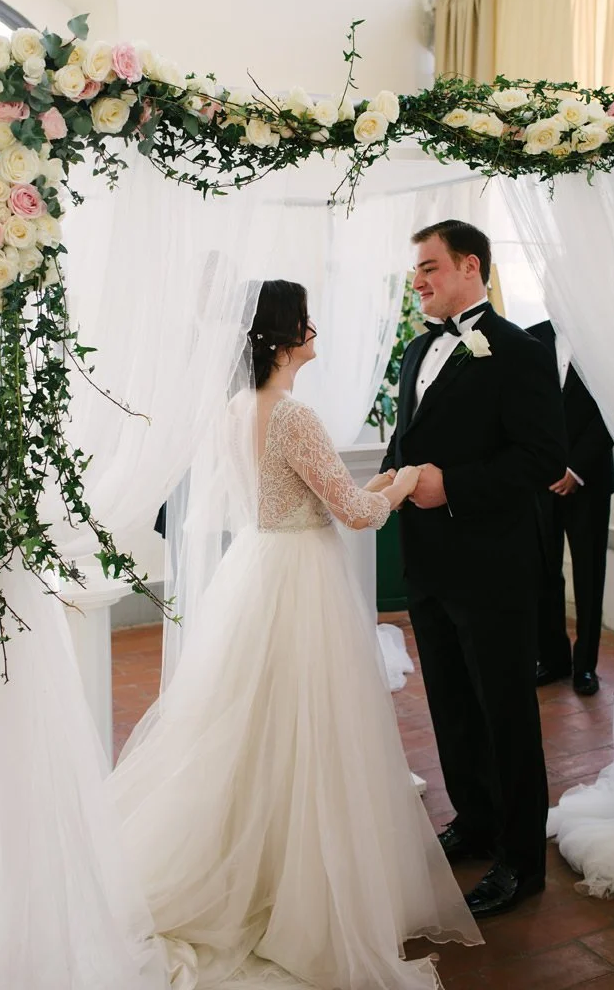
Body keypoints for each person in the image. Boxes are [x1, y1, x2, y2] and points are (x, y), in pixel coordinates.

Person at [109, 279, 481, 989]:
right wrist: (402, 481)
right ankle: (295, 888)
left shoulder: (236, 410)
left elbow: (304, 500)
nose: (314, 329)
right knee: (303, 729)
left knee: (249, 725)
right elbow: (356, 514)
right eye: (304, 320)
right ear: (281, 336)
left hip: (260, 562)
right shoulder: (293, 415)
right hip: (298, 577)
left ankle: (257, 864)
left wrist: (379, 488)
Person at [380, 221, 567, 920]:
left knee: (505, 714)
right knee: (451, 707)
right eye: (415, 271)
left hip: (492, 565)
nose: (419, 281)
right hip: (428, 564)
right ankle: (475, 820)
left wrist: (451, 485)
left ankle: (520, 861)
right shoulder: (414, 352)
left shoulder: (517, 350)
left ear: (470, 266)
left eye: (428, 268)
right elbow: (410, 442)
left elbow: (542, 458)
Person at [527, 320, 614, 697]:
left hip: (589, 480)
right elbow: (524, 408)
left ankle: (586, 667)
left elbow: (613, 412)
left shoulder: (604, 341)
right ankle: (554, 658)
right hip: (542, 482)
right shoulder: (532, 338)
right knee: (545, 573)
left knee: (589, 576)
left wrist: (575, 468)